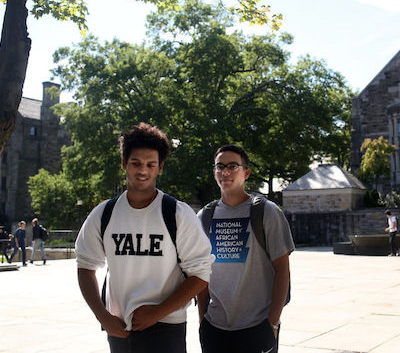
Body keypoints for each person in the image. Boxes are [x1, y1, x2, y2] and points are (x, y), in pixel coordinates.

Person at [75, 123, 213, 353]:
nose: (142, 170)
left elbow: (201, 273)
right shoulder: (104, 214)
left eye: (151, 164)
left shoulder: (177, 213)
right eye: (135, 163)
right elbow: (85, 266)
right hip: (120, 328)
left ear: (160, 168)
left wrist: (158, 312)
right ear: (123, 164)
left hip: (167, 327)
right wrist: (104, 317)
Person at [197, 144, 295, 353]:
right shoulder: (204, 217)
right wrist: (202, 320)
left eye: (233, 166)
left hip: (257, 327)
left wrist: (272, 324)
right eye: (220, 166)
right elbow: (200, 273)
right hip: (214, 327)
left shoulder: (266, 212)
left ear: (246, 172)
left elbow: (282, 270)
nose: (225, 172)